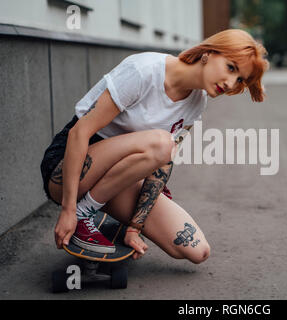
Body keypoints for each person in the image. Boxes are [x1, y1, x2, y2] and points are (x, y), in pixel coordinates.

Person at [40, 29, 269, 263]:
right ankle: (81, 213)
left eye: (240, 79)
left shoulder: (197, 102)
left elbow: (163, 163)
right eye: (231, 67)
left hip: (117, 179)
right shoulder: (144, 71)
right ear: (209, 53)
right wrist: (68, 210)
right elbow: (79, 133)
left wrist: (135, 227)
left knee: (196, 250)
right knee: (162, 143)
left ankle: (94, 212)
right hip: (68, 171)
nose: (231, 83)